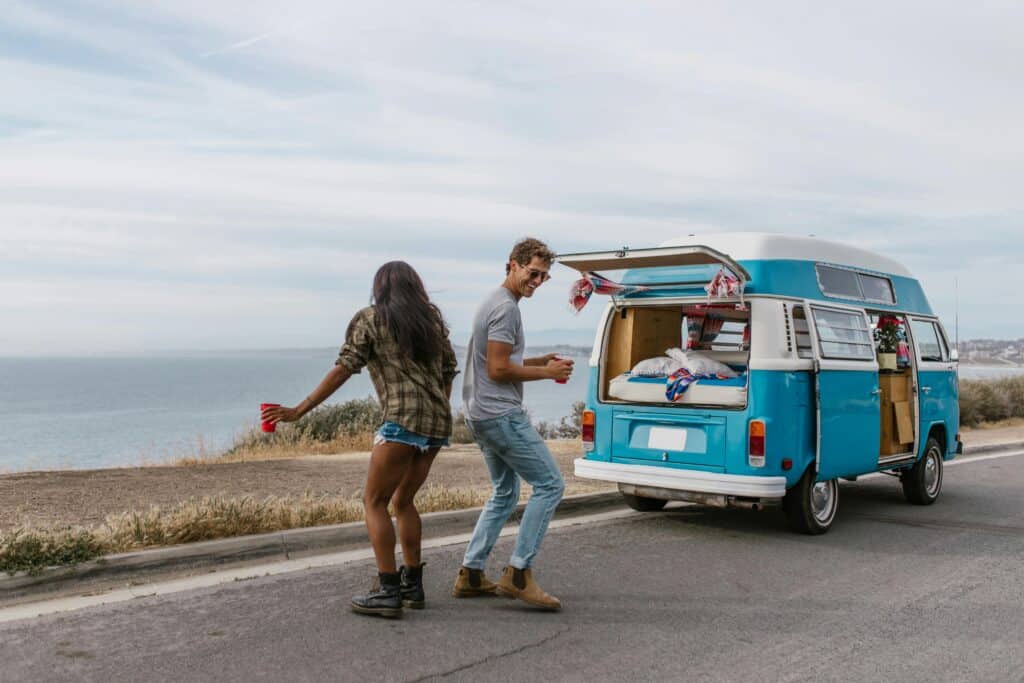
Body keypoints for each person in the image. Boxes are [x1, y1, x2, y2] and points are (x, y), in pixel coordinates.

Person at [262, 261, 458, 619]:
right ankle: (413, 586)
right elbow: (448, 372)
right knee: (405, 501)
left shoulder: (370, 318)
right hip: (437, 422)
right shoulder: (431, 323)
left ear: (380, 287)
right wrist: (435, 411)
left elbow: (345, 367)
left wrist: (300, 409)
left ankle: (387, 590)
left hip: (401, 420)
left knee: (374, 501)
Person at [451, 237, 573, 611]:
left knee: (505, 494)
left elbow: (497, 358)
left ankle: (471, 574)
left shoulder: (494, 301)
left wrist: (537, 362)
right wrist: (548, 374)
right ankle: (518, 573)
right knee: (550, 485)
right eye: (533, 273)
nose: (537, 281)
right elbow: (499, 368)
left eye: (544, 277)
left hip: (479, 413)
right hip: (500, 415)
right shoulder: (507, 309)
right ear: (513, 265)